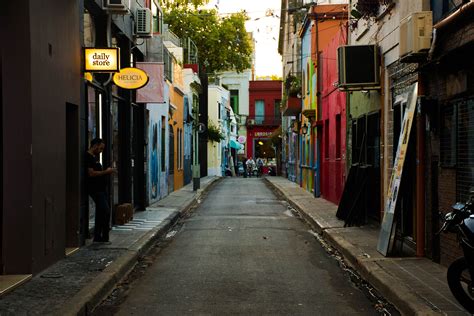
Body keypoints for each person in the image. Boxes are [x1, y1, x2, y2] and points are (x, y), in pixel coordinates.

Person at [86, 138, 116, 243]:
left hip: (101, 189)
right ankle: (104, 236)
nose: (101, 151)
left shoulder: (95, 157)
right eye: (101, 148)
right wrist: (106, 172)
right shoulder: (88, 157)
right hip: (95, 190)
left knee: (100, 212)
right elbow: (91, 173)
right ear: (95, 145)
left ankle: (98, 237)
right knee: (106, 211)